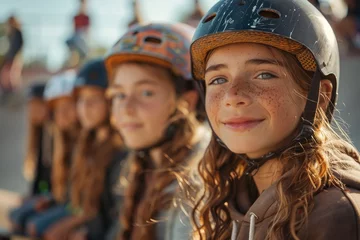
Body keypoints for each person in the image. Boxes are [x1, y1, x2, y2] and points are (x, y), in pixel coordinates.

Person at [189, 0, 360, 239]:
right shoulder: (228, 205)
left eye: (264, 74)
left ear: (321, 95)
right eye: (218, 79)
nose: (232, 96)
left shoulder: (338, 216)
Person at [104, 23, 210, 240]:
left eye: (146, 92)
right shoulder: (141, 167)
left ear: (186, 101)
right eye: (119, 94)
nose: (126, 109)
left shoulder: (196, 185)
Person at [43, 59, 126, 240]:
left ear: (110, 101)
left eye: (94, 99)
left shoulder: (121, 152)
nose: (85, 107)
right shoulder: (88, 144)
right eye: (81, 100)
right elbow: (82, 204)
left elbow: (115, 218)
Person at [9, 71, 79, 236]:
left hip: (72, 205)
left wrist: (48, 198)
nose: (32, 110)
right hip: (59, 198)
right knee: (16, 215)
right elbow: (43, 177)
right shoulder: (47, 134)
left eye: (37, 105)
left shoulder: (76, 141)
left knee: (34, 224)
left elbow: (78, 195)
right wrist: (40, 194)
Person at [0, 15, 23, 99]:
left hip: (15, 57)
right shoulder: (11, 33)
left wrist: (15, 57)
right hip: (10, 57)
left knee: (12, 75)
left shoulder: (17, 32)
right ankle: (9, 92)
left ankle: (14, 93)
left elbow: (19, 46)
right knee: (6, 74)